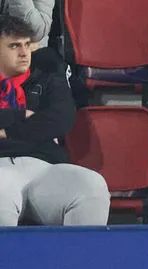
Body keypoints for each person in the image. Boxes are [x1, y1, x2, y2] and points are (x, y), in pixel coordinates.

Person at [0, 16, 109, 226]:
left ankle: (76, 259)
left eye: (27, 45)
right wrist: (20, 116)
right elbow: (43, 123)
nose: (25, 53)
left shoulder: (49, 80)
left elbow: (61, 120)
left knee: (92, 185)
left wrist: (6, 131)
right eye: (14, 46)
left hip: (45, 167)